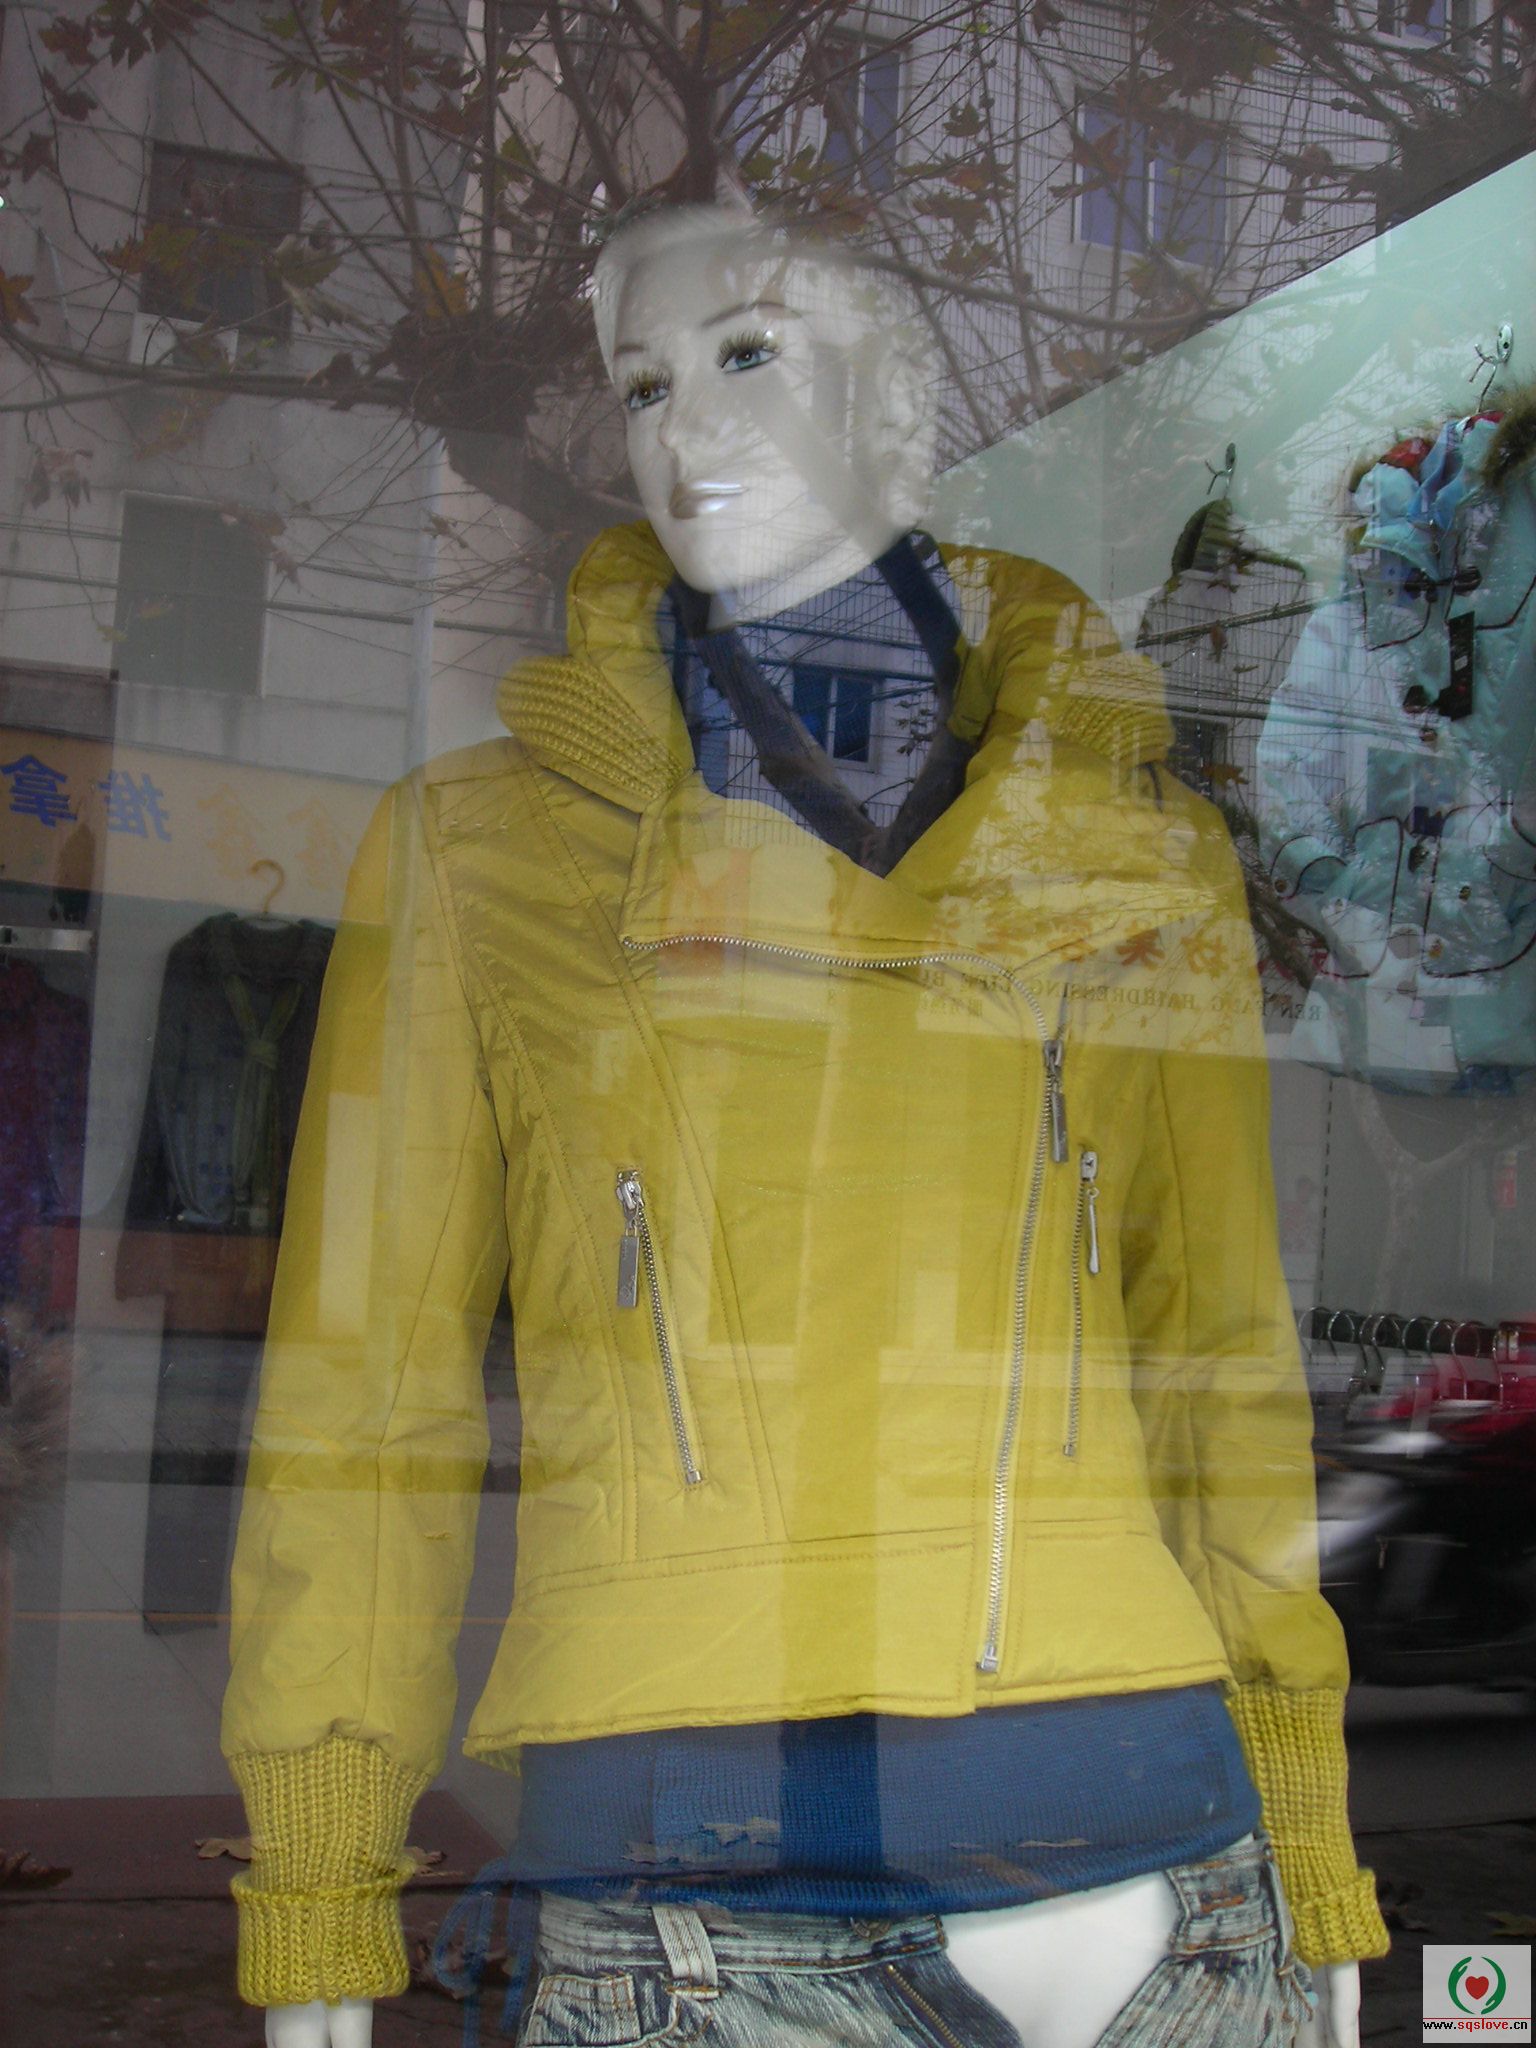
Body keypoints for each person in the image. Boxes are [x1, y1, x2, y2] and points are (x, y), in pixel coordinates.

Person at [227, 204, 1384, 2048]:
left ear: (892, 396)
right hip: (698, 1912)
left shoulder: (1137, 846)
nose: (685, 423)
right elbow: (366, 1410)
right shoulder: (478, 853)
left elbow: (1218, 1371)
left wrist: (1312, 1844)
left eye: (747, 351)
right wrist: (319, 1893)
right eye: (642, 384)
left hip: (1172, 1903)